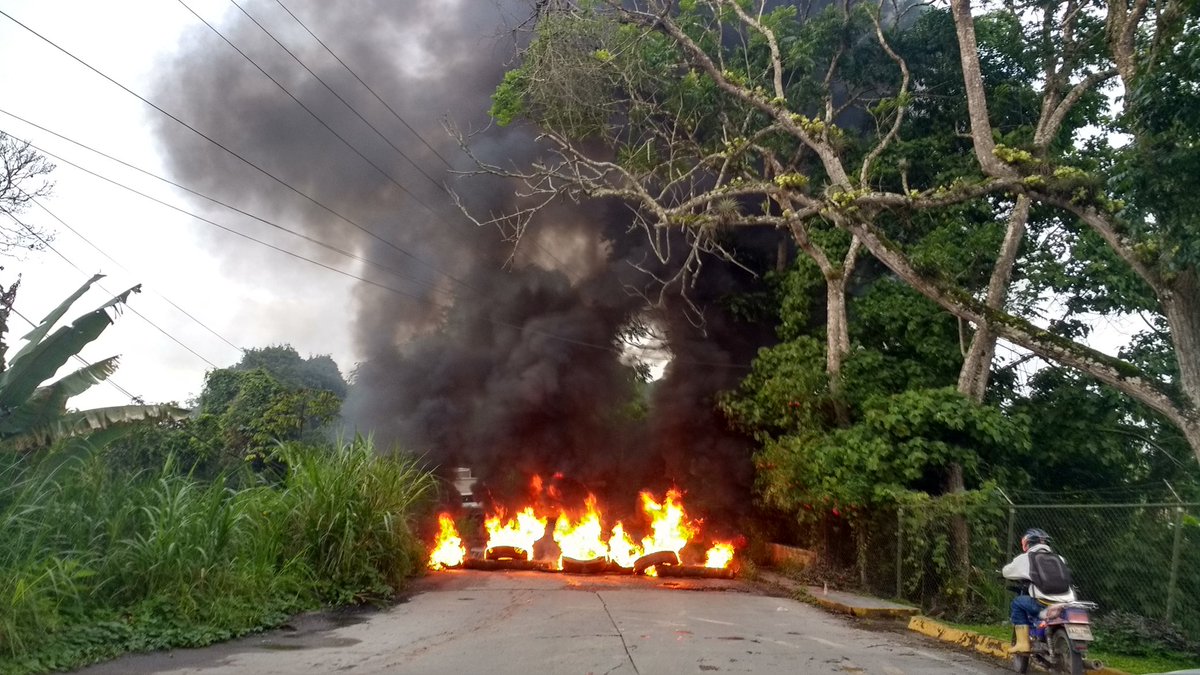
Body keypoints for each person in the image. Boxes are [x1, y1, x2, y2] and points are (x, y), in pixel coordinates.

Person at [1002, 528, 1076, 654]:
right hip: (1067, 603)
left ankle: (1022, 643)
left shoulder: (1026, 558)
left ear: (1027, 543)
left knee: (1017, 602)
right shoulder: (1059, 558)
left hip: (1043, 603)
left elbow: (1006, 572)